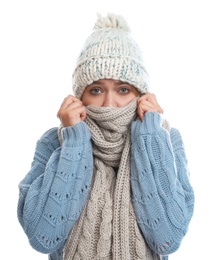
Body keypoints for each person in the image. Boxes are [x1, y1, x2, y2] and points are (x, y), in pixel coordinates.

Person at [17, 13, 195, 260]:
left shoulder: (164, 139)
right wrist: (75, 141)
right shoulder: (55, 142)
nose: (109, 104)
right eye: (96, 90)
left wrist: (150, 137)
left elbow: (167, 238)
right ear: (80, 97)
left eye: (123, 90)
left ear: (141, 95)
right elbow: (43, 236)